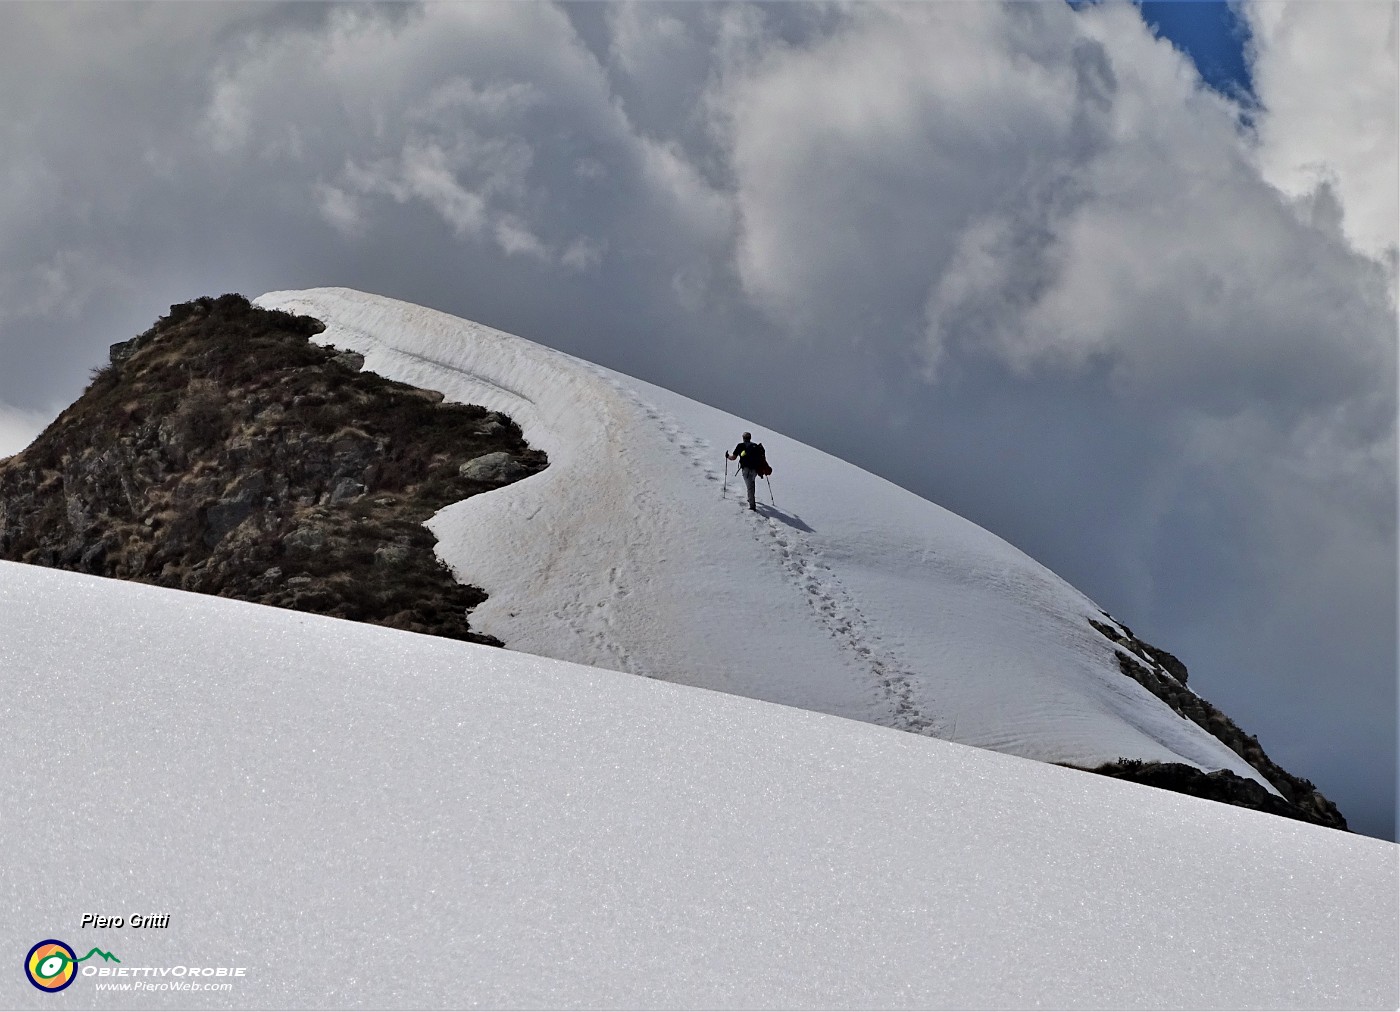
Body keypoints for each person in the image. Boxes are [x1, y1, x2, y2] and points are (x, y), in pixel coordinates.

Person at [726, 431, 764, 511]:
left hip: (746, 469)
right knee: (751, 484)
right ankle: (750, 498)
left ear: (743, 438)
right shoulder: (755, 446)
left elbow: (733, 457)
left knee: (749, 486)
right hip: (755, 470)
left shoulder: (740, 446)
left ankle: (752, 506)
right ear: (750, 438)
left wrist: (727, 456)